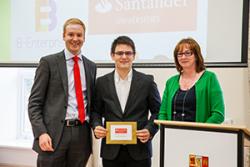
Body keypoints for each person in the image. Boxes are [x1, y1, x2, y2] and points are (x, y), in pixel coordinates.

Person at [28, 18, 96, 167]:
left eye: (79, 35)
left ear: (84, 38)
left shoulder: (91, 66)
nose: (75, 39)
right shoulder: (48, 63)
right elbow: (34, 103)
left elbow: (91, 103)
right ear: (63, 36)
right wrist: (41, 133)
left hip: (81, 135)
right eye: (70, 34)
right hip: (53, 134)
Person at [91, 36, 161, 167]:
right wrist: (96, 126)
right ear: (112, 55)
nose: (124, 57)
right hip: (111, 152)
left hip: (139, 151)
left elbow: (159, 112)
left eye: (128, 53)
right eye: (119, 53)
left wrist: (150, 130)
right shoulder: (101, 83)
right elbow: (95, 111)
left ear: (134, 56)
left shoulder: (147, 82)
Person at [158, 37, 224, 123]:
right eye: (179, 54)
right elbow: (162, 114)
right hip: (172, 133)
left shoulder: (210, 78)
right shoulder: (170, 82)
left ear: (196, 55)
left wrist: (200, 132)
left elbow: (218, 114)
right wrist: (166, 131)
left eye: (187, 53)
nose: (183, 57)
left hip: (200, 134)